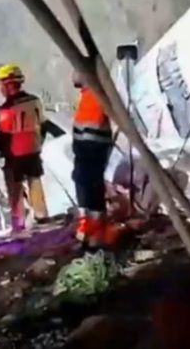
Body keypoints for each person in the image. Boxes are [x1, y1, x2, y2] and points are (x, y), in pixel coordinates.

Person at [0, 64, 49, 233]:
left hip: (14, 153)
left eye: (1, 84)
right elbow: (43, 125)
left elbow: (3, 135)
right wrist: (38, 143)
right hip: (33, 149)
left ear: (8, 85)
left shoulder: (6, 109)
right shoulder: (35, 101)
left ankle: (19, 223)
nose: (0, 88)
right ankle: (42, 217)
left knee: (14, 187)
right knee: (35, 181)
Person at [70, 70, 122, 249]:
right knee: (83, 183)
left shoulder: (96, 94)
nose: (73, 75)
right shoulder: (86, 95)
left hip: (94, 148)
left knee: (91, 186)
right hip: (84, 148)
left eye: (77, 71)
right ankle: (89, 228)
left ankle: (97, 231)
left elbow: (112, 115)